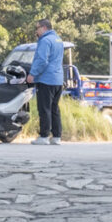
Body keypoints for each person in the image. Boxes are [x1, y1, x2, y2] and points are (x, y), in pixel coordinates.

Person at [29, 17, 67, 145]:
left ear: (44, 28)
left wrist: (32, 74)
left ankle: (44, 136)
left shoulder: (45, 41)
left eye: (37, 28)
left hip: (46, 79)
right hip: (58, 80)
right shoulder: (58, 39)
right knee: (54, 109)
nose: (36, 32)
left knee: (44, 108)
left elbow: (42, 60)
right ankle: (56, 136)